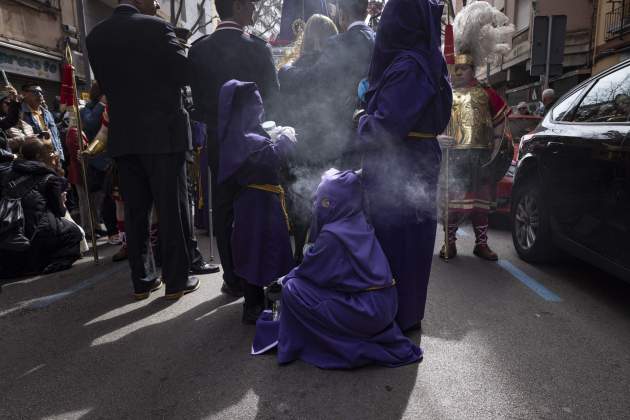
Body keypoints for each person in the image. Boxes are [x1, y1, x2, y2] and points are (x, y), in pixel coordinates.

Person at [252, 169, 423, 369]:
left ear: (333, 202)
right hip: (385, 306)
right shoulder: (358, 220)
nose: (316, 205)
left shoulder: (333, 235)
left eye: (322, 200)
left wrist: (283, 280)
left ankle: (320, 342)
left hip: (368, 312)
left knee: (292, 290)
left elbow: (309, 273)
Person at [87, 0, 199, 300]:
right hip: (162, 135)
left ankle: (144, 280)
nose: (158, 3)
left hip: (124, 137)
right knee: (170, 209)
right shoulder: (158, 27)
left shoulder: (95, 36)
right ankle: (176, 280)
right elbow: (184, 72)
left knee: (136, 214)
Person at [356, 0, 452, 333]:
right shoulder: (426, 59)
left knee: (400, 242)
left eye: (388, 18)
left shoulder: (410, 64)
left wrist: (360, 121)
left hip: (402, 162)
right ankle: (405, 312)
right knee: (413, 241)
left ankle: (396, 314)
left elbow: (385, 127)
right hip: (415, 159)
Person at [189, 0, 280, 298]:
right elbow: (274, 98)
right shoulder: (258, 47)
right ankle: (255, 276)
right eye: (251, 4)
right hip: (254, 142)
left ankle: (233, 277)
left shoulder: (199, 48)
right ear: (239, 7)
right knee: (254, 210)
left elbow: (198, 105)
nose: (254, 9)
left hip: (218, 142)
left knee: (225, 211)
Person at [217, 80, 296, 323]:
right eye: (256, 103)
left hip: (248, 203)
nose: (260, 108)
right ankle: (270, 311)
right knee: (271, 253)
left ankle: (253, 304)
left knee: (251, 252)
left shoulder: (234, 134)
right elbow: (271, 157)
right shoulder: (246, 139)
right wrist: (286, 139)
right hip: (262, 204)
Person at [440, 1, 512, 262]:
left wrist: (495, 146)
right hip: (454, 157)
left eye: (463, 68)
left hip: (480, 156)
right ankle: (449, 242)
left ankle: (481, 243)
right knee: (453, 204)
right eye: (456, 68)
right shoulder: (445, 95)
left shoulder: (486, 93)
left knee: (480, 206)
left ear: (473, 68)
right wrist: (440, 139)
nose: (458, 72)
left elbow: (499, 120)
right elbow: (435, 122)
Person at [280, 0, 374, 169]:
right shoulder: (377, 40)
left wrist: (286, 72)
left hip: (334, 137)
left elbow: (316, 77)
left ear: (342, 14)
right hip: (367, 132)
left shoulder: (338, 43)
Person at [277, 13, 338, 263]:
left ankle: (297, 256)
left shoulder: (287, 72)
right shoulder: (330, 71)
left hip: (296, 144)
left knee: (299, 205)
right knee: (325, 203)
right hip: (324, 145)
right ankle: (322, 258)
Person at [0, 138, 83, 278]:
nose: (51, 154)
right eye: (48, 152)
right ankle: (52, 262)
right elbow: (59, 212)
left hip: (10, 237)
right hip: (35, 235)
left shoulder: (9, 173)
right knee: (73, 232)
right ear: (39, 156)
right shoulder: (48, 177)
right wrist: (62, 201)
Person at [20, 83, 64, 162]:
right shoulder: (20, 114)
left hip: (55, 159)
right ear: (25, 94)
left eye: (41, 92)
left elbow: (56, 135)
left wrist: (60, 155)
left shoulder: (47, 113)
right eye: (35, 92)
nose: (39, 95)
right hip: (37, 161)